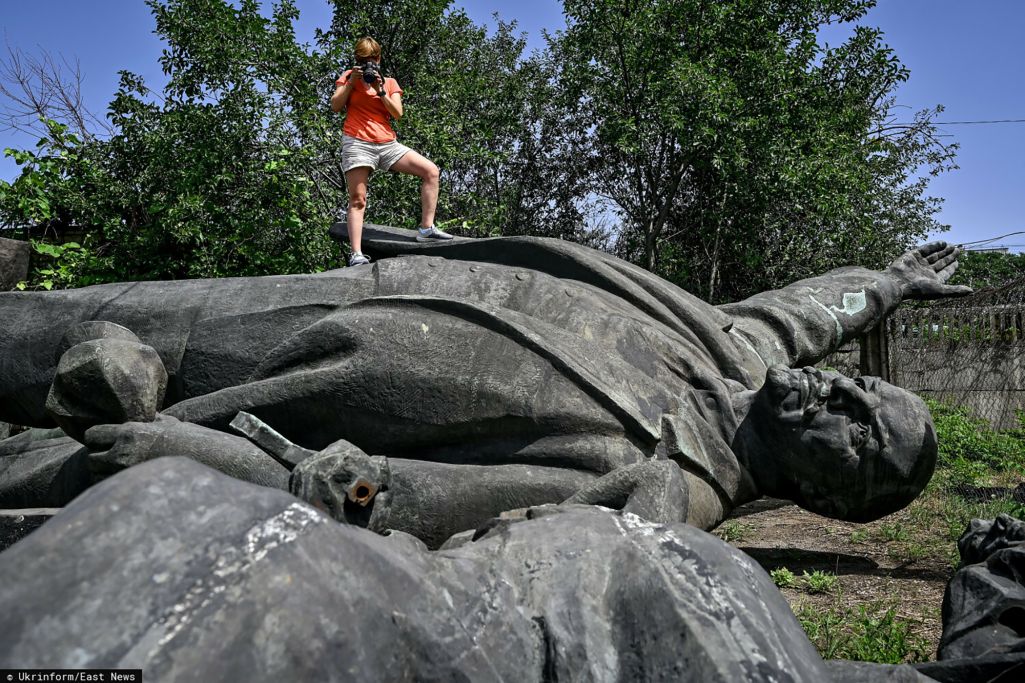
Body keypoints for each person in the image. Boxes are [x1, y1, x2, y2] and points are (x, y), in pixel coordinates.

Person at [0, 228, 970, 542]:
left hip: (299, 380)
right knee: (76, 313)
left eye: (857, 430)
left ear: (829, 493)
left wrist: (260, 467)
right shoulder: (741, 356)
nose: (835, 395)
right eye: (858, 390)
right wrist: (887, 283)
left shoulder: (663, 493)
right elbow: (811, 309)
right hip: (365, 287)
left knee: (52, 358)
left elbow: (415, 506)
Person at [329, 37, 452, 267]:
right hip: (357, 142)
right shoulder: (348, 77)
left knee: (431, 171)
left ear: (378, 58)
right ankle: (356, 254)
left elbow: (397, 113)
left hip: (387, 144)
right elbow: (336, 106)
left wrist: (380, 90)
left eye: (370, 60)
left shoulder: (389, 82)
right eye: (362, 60)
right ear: (357, 60)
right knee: (358, 199)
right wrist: (350, 83)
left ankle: (426, 229)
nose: (367, 64)